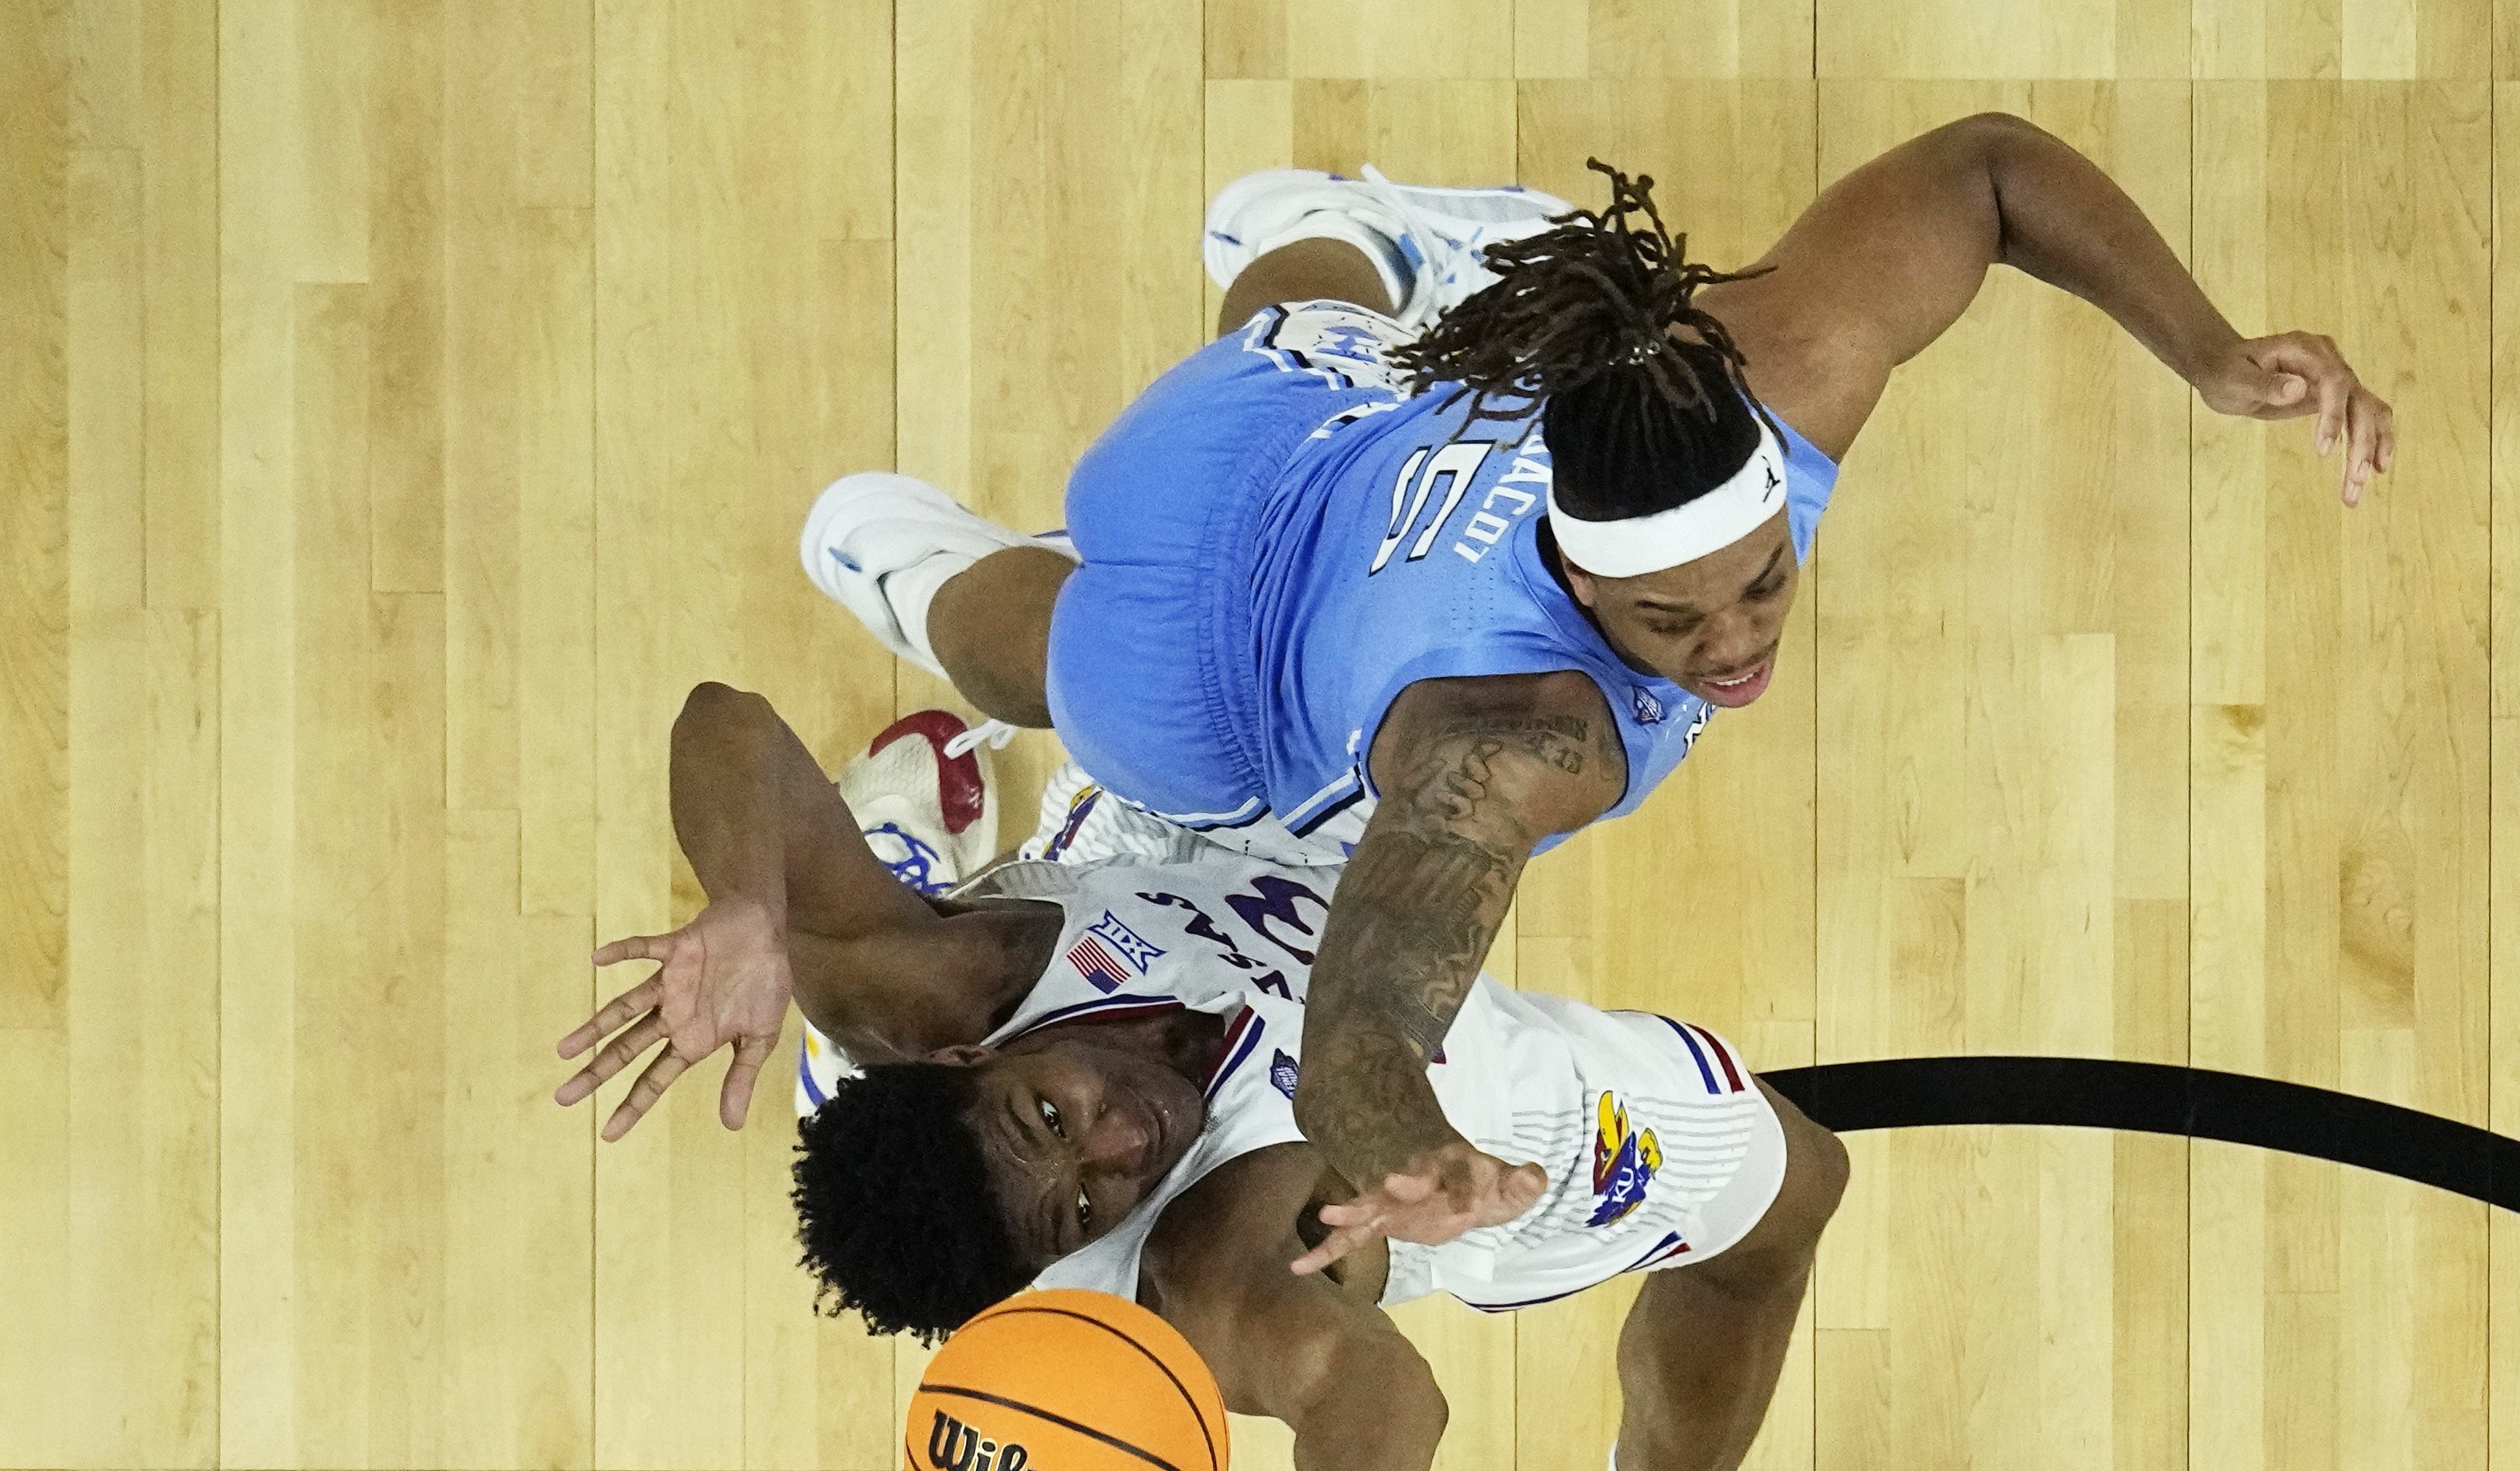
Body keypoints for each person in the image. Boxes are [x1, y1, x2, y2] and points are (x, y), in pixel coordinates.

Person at [792, 119, 2399, 1275]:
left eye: (1761, 583)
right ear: (1569, 582)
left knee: (1238, 437)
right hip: (1206, 682)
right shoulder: (1512, 738)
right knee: (1088, 643)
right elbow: (1360, 1008)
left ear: (1784, 484)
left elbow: (1983, 169)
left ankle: (891, 544)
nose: (1728, 649)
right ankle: (901, 540)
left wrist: (2208, 350)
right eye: (1667, 620)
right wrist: (1401, 1146)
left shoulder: (1779, 369)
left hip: (1280, 473)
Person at [554, 684, 1939, 1471]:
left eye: (1052, 1117)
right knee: (1784, 1194)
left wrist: (748, 900)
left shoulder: (931, 992)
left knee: (1169, 647)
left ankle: (879, 895)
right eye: (1086, 1197)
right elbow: (1359, 1378)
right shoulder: (1217, 1255)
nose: (1118, 1137)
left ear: (971, 1059)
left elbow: (724, 724)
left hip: (1198, 883)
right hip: (1437, 1093)